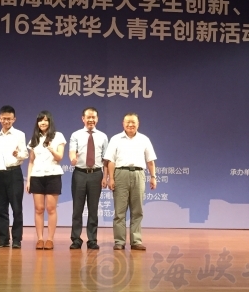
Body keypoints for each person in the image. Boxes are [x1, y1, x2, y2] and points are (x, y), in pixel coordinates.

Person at [104, 112, 157, 251]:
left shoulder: (144, 139)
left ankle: (136, 241)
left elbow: (150, 160)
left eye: (133, 122)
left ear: (138, 124)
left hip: (139, 174)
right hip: (120, 174)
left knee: (137, 210)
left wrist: (153, 176)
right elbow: (111, 161)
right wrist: (111, 178)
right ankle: (119, 241)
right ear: (123, 124)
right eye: (127, 122)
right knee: (119, 211)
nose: (130, 124)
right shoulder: (115, 139)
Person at [68, 107, 108, 250]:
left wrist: (105, 176)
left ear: (97, 119)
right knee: (77, 208)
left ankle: (92, 239)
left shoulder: (103, 136)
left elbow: (106, 159)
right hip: (79, 173)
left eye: (93, 117)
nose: (91, 120)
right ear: (83, 119)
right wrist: (73, 159)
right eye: (88, 117)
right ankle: (76, 239)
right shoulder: (76, 135)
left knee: (93, 208)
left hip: (96, 174)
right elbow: (72, 151)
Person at [26, 110, 66, 250]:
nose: (43, 123)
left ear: (50, 122)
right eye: (40, 120)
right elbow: (31, 161)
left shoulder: (58, 136)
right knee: (39, 209)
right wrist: (29, 180)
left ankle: (50, 239)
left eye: (45, 120)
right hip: (37, 176)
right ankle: (40, 239)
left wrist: (51, 149)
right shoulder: (34, 139)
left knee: (51, 208)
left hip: (53, 175)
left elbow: (59, 157)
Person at [0, 105, 28, 249]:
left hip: (14, 172)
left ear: (14, 119)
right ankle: (3, 239)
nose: (6, 121)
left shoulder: (19, 135)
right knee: (1, 207)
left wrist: (18, 154)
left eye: (9, 119)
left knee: (17, 207)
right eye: (4, 118)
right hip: (0, 174)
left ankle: (17, 239)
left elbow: (25, 154)